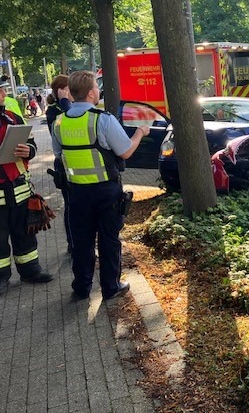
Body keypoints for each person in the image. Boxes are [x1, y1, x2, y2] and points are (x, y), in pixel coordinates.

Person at [52, 71, 150, 301]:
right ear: (89, 93)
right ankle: (110, 287)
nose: (98, 91)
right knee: (108, 240)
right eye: (96, 87)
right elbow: (125, 151)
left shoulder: (59, 122)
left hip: (76, 192)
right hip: (106, 192)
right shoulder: (102, 119)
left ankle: (82, 287)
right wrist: (139, 133)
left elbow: (59, 155)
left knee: (82, 241)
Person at [0, 82, 54, 296]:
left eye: (3, 89)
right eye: (0, 90)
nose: (3, 93)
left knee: (25, 233)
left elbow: (31, 143)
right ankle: (1, 278)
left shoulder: (13, 117)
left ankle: (31, 271)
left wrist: (28, 151)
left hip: (20, 189)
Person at [46, 75, 72, 252]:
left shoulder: (70, 106)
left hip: (77, 166)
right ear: (61, 90)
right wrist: (64, 102)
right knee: (70, 206)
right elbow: (66, 125)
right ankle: (72, 244)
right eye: (68, 89)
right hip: (64, 166)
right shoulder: (54, 111)